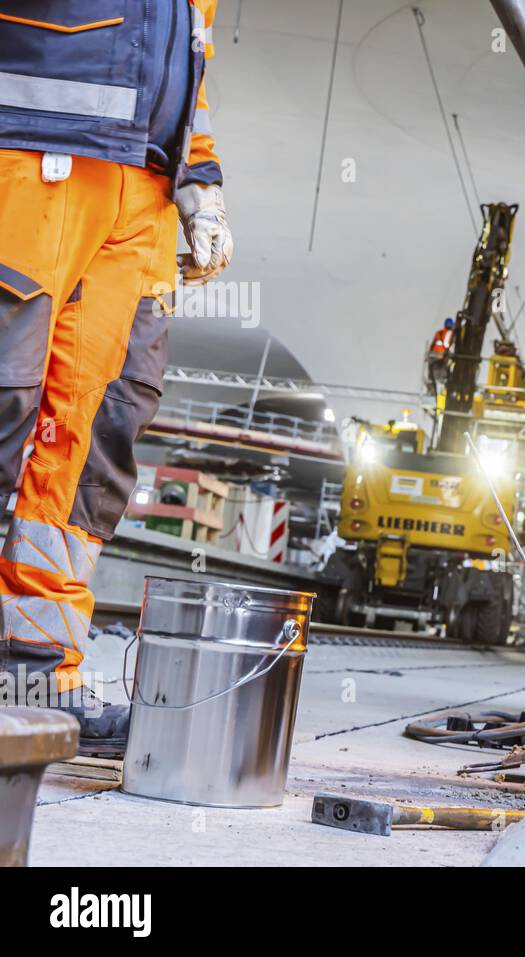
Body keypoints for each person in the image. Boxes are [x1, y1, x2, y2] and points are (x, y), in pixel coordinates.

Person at [0, 1, 233, 754]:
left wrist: (201, 184)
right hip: (30, 148)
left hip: (144, 191)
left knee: (93, 437)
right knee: (5, 398)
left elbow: (185, 64)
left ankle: (33, 681)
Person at [427, 318, 455, 394]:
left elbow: (433, 344)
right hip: (441, 356)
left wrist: (428, 355)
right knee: (444, 374)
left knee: (431, 375)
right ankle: (445, 390)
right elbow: (447, 345)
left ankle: (431, 391)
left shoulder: (439, 332)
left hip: (432, 356)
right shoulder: (450, 333)